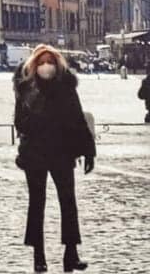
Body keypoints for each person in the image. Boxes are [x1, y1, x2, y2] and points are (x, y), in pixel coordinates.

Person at [14, 45, 95, 273]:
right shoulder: (26, 89)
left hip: (62, 151)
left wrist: (88, 150)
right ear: (34, 65)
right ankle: (38, 255)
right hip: (36, 152)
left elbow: (79, 119)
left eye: (49, 61)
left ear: (57, 64)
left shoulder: (67, 88)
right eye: (41, 62)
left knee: (68, 202)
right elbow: (19, 122)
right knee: (36, 203)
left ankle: (72, 253)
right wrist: (38, 122)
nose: (45, 66)